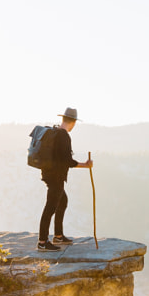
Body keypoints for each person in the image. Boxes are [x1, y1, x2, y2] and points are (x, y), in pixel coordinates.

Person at [37, 107, 92, 251]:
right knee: (50, 208)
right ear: (73, 122)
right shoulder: (64, 136)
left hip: (49, 175)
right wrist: (85, 165)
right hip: (56, 177)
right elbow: (67, 160)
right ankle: (42, 242)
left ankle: (58, 236)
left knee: (63, 201)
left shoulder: (55, 132)